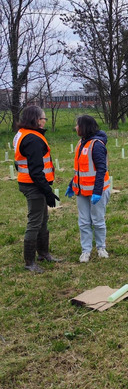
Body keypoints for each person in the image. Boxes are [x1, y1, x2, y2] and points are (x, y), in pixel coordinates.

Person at [13, 105, 61, 273]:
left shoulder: (22, 134)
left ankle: (43, 253)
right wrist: (47, 192)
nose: (44, 121)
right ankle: (29, 262)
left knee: (43, 219)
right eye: (43, 118)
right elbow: (35, 170)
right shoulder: (32, 139)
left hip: (30, 183)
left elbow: (18, 163)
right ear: (35, 119)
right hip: (34, 186)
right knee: (35, 222)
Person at [65, 115, 110, 262]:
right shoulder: (81, 143)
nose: (75, 128)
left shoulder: (96, 145)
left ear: (84, 127)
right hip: (81, 191)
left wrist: (97, 192)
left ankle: (101, 248)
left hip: (97, 191)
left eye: (78, 125)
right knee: (84, 221)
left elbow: (101, 169)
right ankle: (86, 251)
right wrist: (72, 184)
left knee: (97, 220)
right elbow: (80, 169)